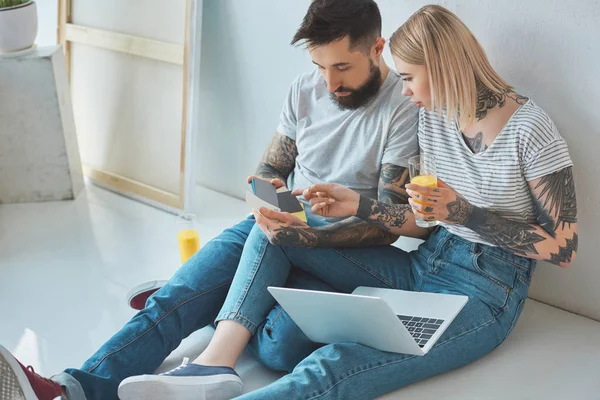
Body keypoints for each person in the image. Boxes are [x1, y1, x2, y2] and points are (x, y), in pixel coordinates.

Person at [115, 4, 579, 400]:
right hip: (426, 261)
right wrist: (355, 204)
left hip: (486, 289)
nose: (404, 90)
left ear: (442, 67)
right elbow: (416, 225)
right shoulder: (436, 119)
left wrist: (462, 212)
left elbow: (563, 248)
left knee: (338, 365)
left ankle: (216, 309)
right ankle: (212, 366)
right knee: (276, 233)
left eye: (410, 77)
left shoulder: (529, 130)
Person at [0, 1, 419, 399]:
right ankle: (71, 389)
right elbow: (268, 173)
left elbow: (385, 225)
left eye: (342, 67)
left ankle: (215, 294)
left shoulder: (402, 105)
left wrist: (305, 238)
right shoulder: (305, 89)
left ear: (377, 48)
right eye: (319, 66)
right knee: (170, 304)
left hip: (338, 251)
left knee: (281, 349)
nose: (329, 83)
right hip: (279, 229)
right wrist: (276, 210)